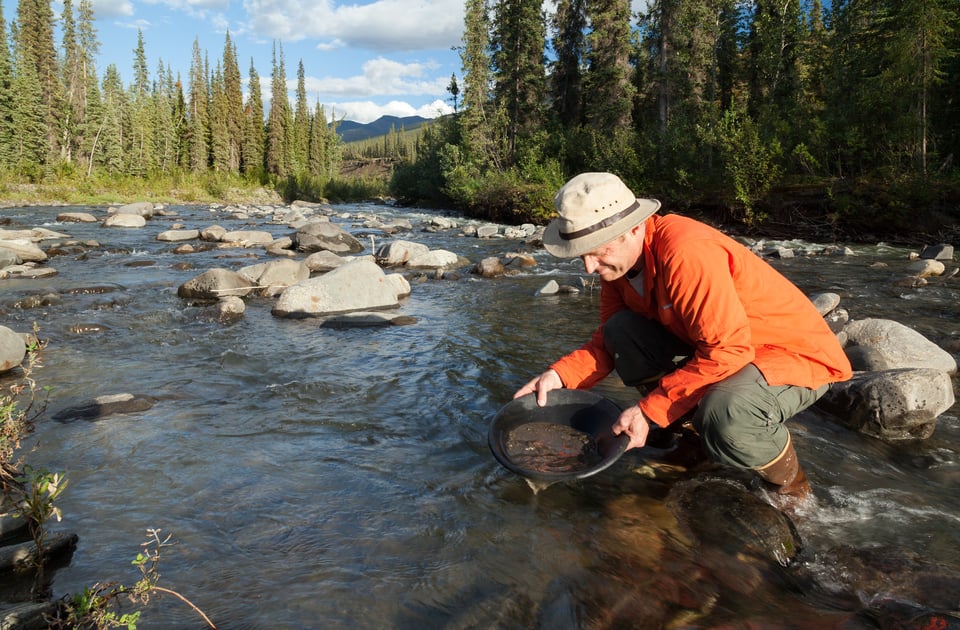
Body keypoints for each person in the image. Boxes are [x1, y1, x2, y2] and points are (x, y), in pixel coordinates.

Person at [514, 172, 852, 499]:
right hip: (722, 347)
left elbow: (728, 351)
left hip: (791, 354)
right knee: (622, 331)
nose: (589, 267)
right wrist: (560, 375)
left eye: (595, 251)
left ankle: (792, 486)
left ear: (632, 229)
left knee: (726, 413)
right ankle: (692, 444)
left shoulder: (685, 253)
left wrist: (648, 412)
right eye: (581, 255)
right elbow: (608, 340)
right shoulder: (616, 267)